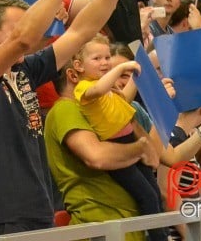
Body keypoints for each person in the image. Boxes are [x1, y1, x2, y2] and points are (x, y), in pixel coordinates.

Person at [0, 0, 125, 236]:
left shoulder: (26, 68)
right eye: (19, 24)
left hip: (39, 206)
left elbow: (82, 31)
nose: (35, 30)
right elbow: (22, 39)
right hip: (1, 213)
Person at [70, 36, 165, 240]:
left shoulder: (109, 88)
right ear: (78, 66)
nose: (104, 63)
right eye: (97, 58)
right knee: (146, 196)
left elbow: (125, 104)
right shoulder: (84, 87)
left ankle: (161, 235)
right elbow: (100, 88)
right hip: (116, 147)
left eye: (107, 57)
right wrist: (120, 69)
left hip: (131, 139)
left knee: (155, 193)